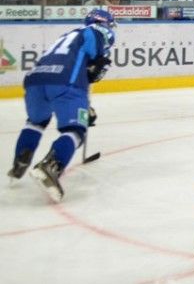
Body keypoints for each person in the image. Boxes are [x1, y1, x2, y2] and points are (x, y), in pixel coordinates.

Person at [8, 10, 116, 201]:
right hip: (65, 82)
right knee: (75, 129)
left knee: (36, 122)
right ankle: (51, 166)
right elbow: (95, 68)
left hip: (35, 80)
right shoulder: (97, 32)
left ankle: (20, 160)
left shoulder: (68, 35)